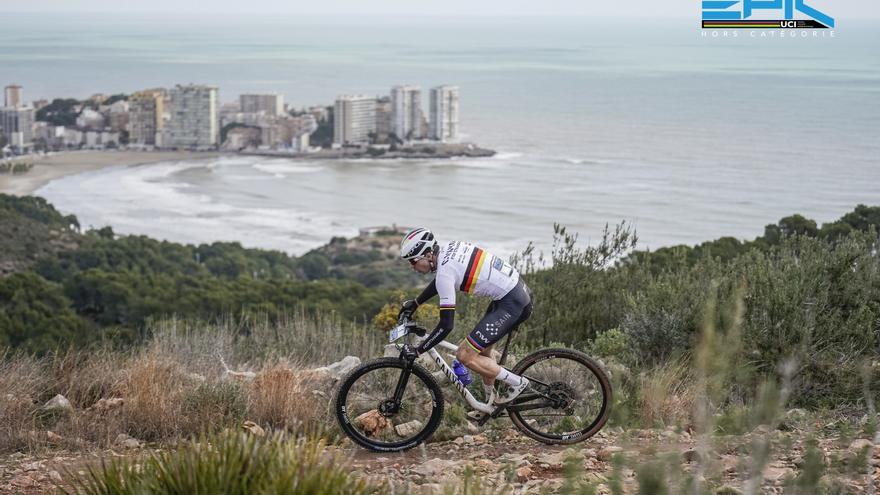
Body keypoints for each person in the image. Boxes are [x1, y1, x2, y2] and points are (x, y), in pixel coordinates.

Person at [396, 227, 534, 406]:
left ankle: (518, 383)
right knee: (483, 353)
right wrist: (415, 303)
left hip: (512, 303)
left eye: (413, 261)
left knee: (464, 355)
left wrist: (418, 351)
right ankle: (490, 403)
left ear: (428, 255)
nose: (412, 267)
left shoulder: (445, 273)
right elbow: (441, 281)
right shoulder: (449, 249)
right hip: (513, 294)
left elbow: (446, 325)